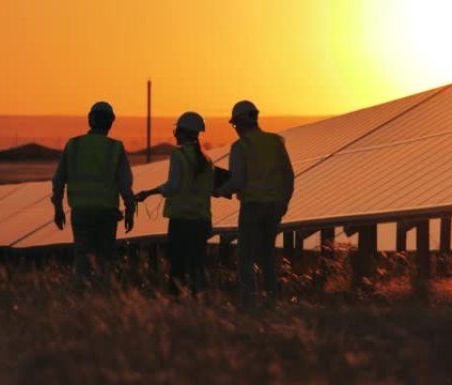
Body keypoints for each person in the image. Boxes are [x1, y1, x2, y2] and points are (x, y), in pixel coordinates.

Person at [213, 100, 294, 307]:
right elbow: (288, 175)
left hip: (252, 206)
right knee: (267, 255)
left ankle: (248, 303)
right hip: (275, 206)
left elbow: (238, 181)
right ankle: (271, 301)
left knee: (246, 255)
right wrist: (284, 202)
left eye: (235, 124)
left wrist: (219, 191)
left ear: (239, 122)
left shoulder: (241, 147)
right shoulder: (276, 142)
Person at [51, 101, 135, 282]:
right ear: (111, 122)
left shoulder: (73, 145)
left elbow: (59, 179)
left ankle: (82, 295)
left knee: (82, 257)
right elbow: (125, 183)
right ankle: (101, 295)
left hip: (81, 212)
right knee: (104, 259)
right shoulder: (115, 147)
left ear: (90, 119)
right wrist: (130, 209)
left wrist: (58, 207)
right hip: (107, 213)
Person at [135, 112, 214, 295]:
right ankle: (198, 303)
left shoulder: (179, 156)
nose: (175, 134)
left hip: (181, 221)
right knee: (197, 267)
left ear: (183, 132)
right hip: (201, 220)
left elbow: (173, 186)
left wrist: (149, 193)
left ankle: (176, 302)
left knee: (177, 267)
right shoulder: (207, 161)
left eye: (176, 130)